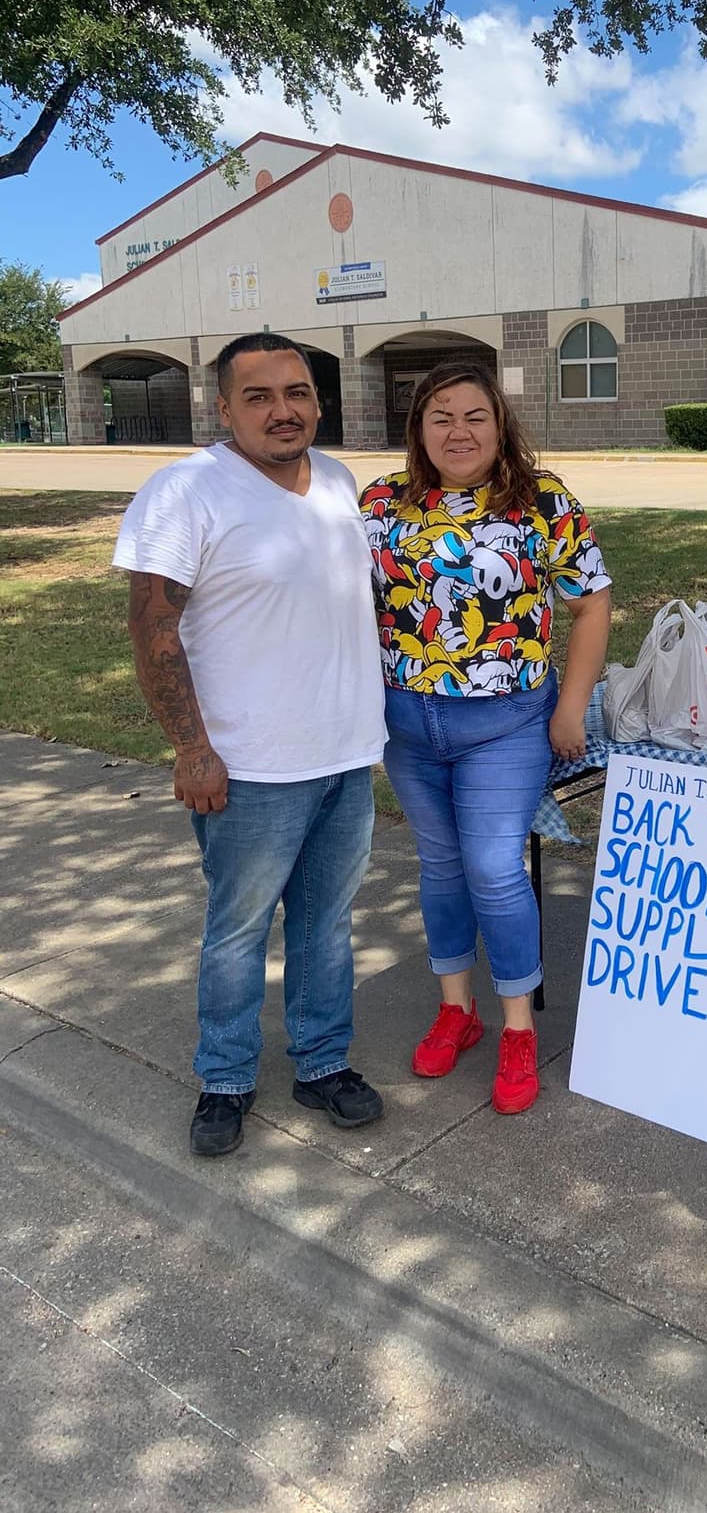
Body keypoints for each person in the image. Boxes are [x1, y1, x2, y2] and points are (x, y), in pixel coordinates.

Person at [116, 333, 386, 1157]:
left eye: (297, 392)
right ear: (223, 408)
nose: (283, 410)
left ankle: (322, 1061)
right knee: (237, 931)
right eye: (259, 396)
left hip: (344, 755)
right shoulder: (186, 492)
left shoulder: (339, 481)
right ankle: (226, 1078)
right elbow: (151, 625)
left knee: (325, 924)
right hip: (251, 767)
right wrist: (191, 748)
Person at [359, 361, 611, 1115]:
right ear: (418, 430)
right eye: (441, 416)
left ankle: (516, 1026)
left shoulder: (541, 501)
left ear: (500, 424)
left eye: (475, 415)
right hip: (408, 726)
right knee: (439, 867)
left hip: (505, 725)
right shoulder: (380, 504)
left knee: (496, 868)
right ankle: (456, 1009)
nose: (458, 430)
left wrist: (569, 710)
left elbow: (592, 605)